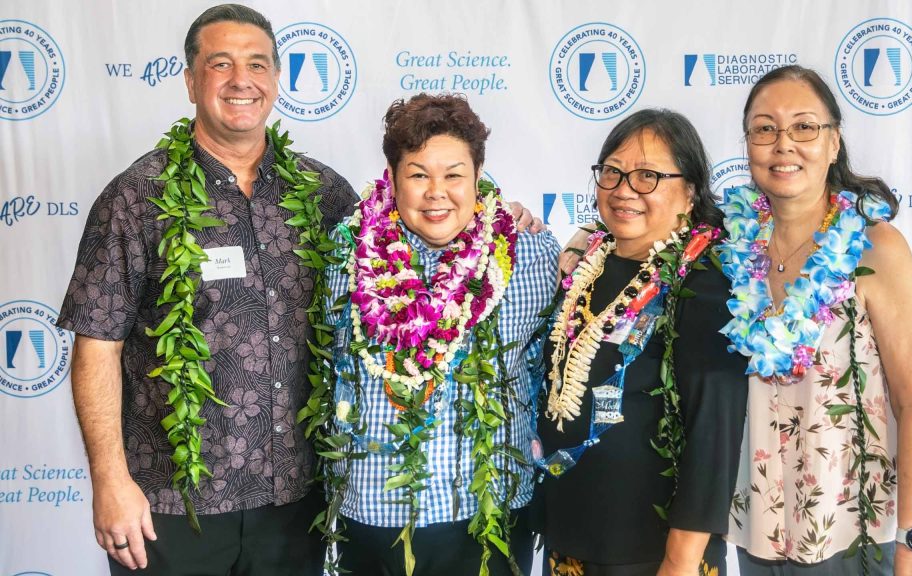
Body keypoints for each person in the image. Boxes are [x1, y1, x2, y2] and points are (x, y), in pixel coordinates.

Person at [57, 5, 543, 575]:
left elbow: (420, 230)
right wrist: (110, 480)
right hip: (173, 504)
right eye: (221, 64)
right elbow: (96, 345)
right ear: (191, 80)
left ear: (277, 80)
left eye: (258, 64)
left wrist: (501, 210)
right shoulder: (135, 198)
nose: (242, 80)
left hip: (294, 506)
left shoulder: (322, 194)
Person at [322, 93, 560, 576]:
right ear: (392, 179)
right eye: (418, 175)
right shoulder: (346, 253)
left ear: (478, 178)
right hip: (371, 509)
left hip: (486, 511)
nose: (437, 192)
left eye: (454, 175)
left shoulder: (531, 253)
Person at [719, 65, 912, 576]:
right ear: (748, 142)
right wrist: (580, 241)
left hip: (856, 536)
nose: (784, 144)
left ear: (834, 141)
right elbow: (643, 225)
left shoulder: (875, 246)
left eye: (804, 126)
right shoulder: (729, 243)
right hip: (755, 534)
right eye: (765, 128)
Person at [537, 109, 749, 576]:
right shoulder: (586, 261)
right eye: (611, 172)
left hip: (654, 554)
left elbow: (715, 431)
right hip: (570, 539)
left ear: (690, 191)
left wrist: (681, 561)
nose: (623, 189)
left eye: (648, 176)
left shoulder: (705, 280)